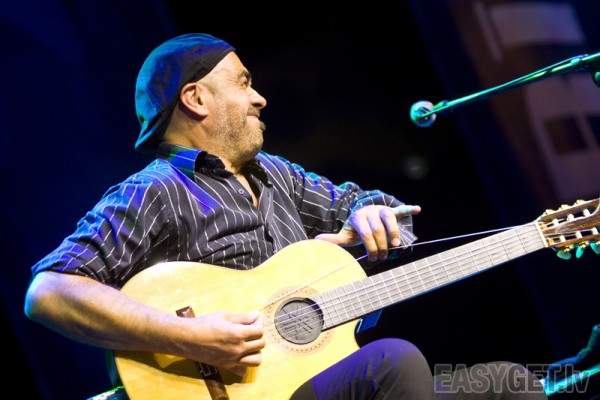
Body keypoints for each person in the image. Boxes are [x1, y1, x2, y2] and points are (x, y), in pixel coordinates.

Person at [24, 33, 548, 399]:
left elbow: (386, 211)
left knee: (509, 385)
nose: (260, 98)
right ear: (196, 98)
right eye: (243, 82)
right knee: (393, 360)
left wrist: (372, 213)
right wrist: (189, 336)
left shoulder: (275, 173)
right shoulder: (154, 190)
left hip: (319, 381)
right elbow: (48, 292)